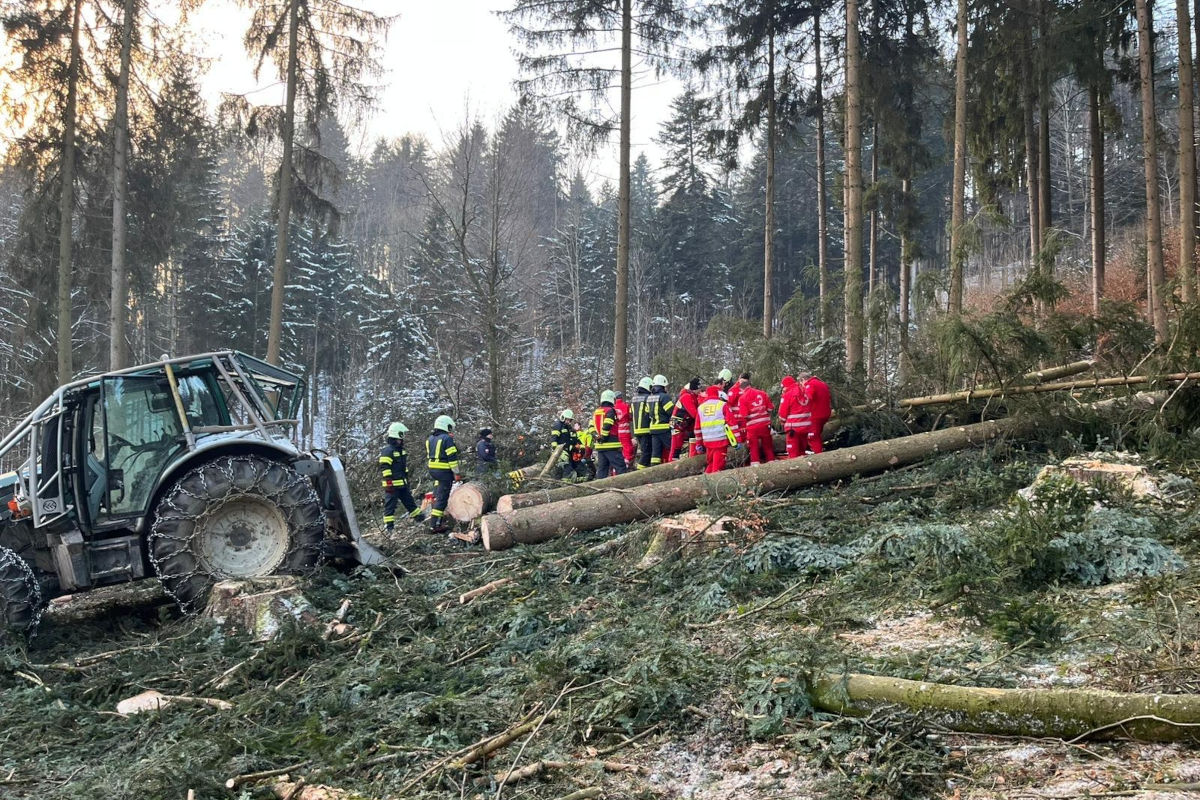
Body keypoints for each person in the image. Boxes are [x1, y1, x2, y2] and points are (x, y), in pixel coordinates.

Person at [379, 421, 422, 531]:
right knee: (390, 507)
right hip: (392, 486)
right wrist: (389, 483)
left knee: (410, 502)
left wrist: (406, 481)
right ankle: (389, 528)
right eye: (402, 435)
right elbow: (385, 467)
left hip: (402, 484)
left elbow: (403, 468)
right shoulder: (388, 451)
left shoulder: (401, 451)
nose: (403, 438)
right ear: (396, 435)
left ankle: (420, 519)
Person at [426, 415, 462, 534]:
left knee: (437, 494)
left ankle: (436, 520)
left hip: (433, 471)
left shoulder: (430, 438)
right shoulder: (447, 439)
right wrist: (456, 473)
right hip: (444, 472)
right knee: (442, 499)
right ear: (446, 425)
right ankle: (435, 525)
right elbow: (452, 458)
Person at [696, 385, 738, 473]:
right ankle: (712, 485)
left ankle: (704, 483)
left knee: (711, 464)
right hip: (720, 441)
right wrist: (737, 440)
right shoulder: (722, 405)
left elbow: (697, 428)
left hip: (707, 442)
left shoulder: (701, 408)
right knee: (718, 467)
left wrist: (698, 444)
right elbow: (732, 423)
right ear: (718, 394)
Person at [735, 374, 775, 466]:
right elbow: (770, 409)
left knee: (753, 447)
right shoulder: (762, 393)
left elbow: (744, 415)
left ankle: (755, 466)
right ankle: (772, 463)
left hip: (753, 427)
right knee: (768, 446)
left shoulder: (742, 398)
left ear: (742, 389)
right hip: (765, 425)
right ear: (750, 385)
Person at [591, 390, 627, 478]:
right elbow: (607, 424)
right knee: (620, 467)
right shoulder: (610, 411)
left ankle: (600, 489)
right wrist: (603, 437)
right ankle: (624, 486)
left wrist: (597, 436)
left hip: (600, 447)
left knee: (602, 470)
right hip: (611, 446)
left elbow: (591, 427)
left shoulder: (596, 412)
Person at [670, 377, 702, 460]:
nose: (700, 391)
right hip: (677, 424)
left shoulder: (693, 397)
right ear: (694, 389)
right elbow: (694, 414)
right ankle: (671, 464)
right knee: (675, 448)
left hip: (684, 424)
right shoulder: (686, 397)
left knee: (689, 441)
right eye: (699, 389)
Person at [800, 371, 832, 454]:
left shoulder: (810, 385)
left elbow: (808, 397)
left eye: (801, 382)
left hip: (816, 414)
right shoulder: (822, 383)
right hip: (825, 413)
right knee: (817, 434)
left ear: (803, 379)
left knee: (812, 437)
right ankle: (819, 452)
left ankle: (818, 456)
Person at [778, 376, 810, 459]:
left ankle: (794, 468)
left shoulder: (788, 394)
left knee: (793, 453)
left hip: (793, 428)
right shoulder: (804, 391)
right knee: (802, 450)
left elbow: (782, 412)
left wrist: (782, 421)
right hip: (806, 426)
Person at [647, 374, 675, 465]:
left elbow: (647, 413)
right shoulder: (664, 397)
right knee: (672, 449)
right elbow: (672, 412)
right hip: (664, 429)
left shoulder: (649, 398)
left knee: (655, 454)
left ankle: (653, 470)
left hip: (653, 429)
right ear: (662, 386)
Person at [631, 376, 653, 469]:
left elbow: (630, 413)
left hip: (637, 430)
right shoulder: (648, 398)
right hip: (646, 429)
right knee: (647, 453)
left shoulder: (633, 399)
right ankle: (639, 472)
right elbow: (651, 413)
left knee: (645, 451)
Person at [613, 389, 635, 469]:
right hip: (625, 431)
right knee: (628, 448)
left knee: (618, 449)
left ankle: (616, 468)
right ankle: (626, 465)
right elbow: (630, 417)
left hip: (615, 432)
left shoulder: (613, 407)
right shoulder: (625, 406)